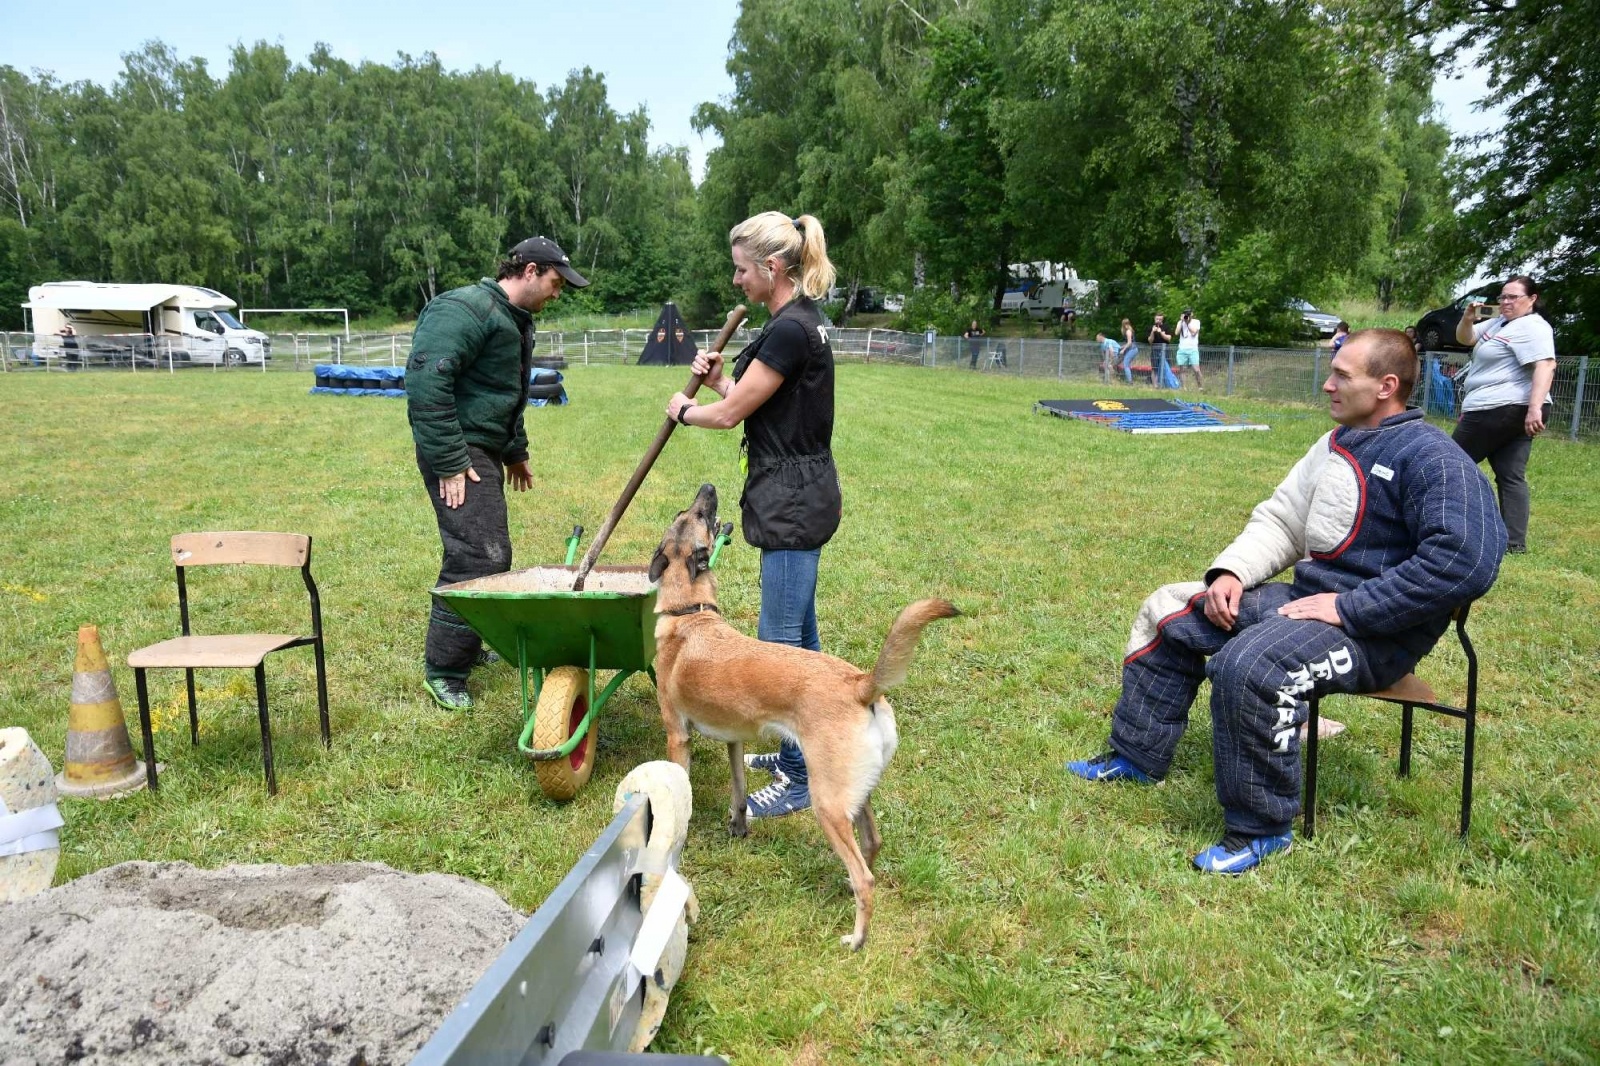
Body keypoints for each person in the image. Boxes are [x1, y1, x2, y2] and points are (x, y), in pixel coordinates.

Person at [1066, 329, 1505, 873]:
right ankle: (1137, 754)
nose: (1328, 385)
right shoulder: (1334, 444)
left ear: (1386, 386)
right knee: (1170, 610)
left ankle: (1261, 829)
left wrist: (1349, 608)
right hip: (1308, 603)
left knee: (1250, 666)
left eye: (1342, 375)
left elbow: (1466, 559)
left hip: (1377, 635)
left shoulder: (1436, 458)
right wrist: (1231, 572)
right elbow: (1283, 520)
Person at [665, 211, 841, 819]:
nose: (736, 280)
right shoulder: (795, 322)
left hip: (792, 502)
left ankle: (801, 777)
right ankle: (798, 752)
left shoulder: (791, 330)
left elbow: (730, 416)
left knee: (779, 646)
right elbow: (757, 404)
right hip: (794, 492)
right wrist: (721, 381)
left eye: (742, 270)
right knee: (803, 639)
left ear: (771, 267)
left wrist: (684, 408)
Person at [407, 236, 589, 710]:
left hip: (482, 448)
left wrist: (514, 452)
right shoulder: (464, 309)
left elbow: (503, 393)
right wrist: (450, 461)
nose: (557, 293)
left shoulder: (513, 319)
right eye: (555, 283)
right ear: (529, 271)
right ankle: (445, 670)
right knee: (478, 556)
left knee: (486, 552)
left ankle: (467, 643)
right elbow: (427, 382)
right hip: (457, 447)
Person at [1452, 275, 1557, 554]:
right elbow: (1466, 338)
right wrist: (1468, 318)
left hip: (1501, 407)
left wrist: (1534, 408)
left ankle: (1444, 525)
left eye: (1513, 297)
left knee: (1448, 462)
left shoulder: (1533, 326)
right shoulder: (1500, 322)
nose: (1506, 302)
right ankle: (1514, 543)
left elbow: (1546, 365)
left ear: (1532, 299)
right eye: (1503, 297)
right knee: (1510, 474)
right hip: (1506, 409)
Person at [1175, 308, 1203, 390]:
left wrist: (1187, 323)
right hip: (1182, 348)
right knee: (1182, 369)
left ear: (1192, 314)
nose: (1187, 316)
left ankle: (1200, 387)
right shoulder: (1180, 322)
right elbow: (1176, 333)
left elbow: (1194, 332)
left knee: (1196, 369)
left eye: (1188, 314)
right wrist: (1182, 321)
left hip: (1193, 349)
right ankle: (1184, 388)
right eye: (1185, 314)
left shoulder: (1196, 322)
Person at [1148, 313, 1173, 388]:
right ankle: (1155, 386)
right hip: (1155, 349)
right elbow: (1150, 341)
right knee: (1154, 368)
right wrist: (1152, 332)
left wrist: (1161, 333)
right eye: (1157, 319)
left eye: (1160, 319)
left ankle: (1166, 384)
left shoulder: (1166, 327)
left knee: (1166, 367)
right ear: (1154, 319)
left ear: (1162, 320)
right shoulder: (1151, 327)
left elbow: (1169, 338)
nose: (1158, 320)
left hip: (1165, 349)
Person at [1118, 318, 1139, 383]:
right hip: (1132, 349)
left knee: (1125, 364)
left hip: (1132, 349)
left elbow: (1129, 343)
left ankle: (1130, 381)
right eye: (1125, 324)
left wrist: (1123, 350)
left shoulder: (1128, 331)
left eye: (1126, 324)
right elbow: (1129, 343)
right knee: (1126, 364)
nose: (1125, 325)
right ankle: (1128, 379)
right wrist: (1121, 347)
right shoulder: (1129, 330)